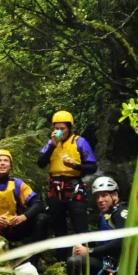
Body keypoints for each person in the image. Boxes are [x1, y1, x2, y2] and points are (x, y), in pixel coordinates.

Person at [0, 149, 49, 266]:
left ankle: (34, 260)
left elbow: (38, 204)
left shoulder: (18, 184)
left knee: (42, 218)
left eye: (6, 161)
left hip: (15, 227)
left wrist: (23, 217)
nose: (2, 163)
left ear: (10, 165)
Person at [36, 110, 97, 256]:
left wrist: (76, 166)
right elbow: (40, 163)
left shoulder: (79, 141)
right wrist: (52, 145)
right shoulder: (50, 144)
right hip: (55, 187)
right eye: (56, 128)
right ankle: (62, 261)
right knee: (59, 227)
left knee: (80, 226)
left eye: (62, 128)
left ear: (69, 127)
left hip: (74, 185)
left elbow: (92, 167)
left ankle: (85, 260)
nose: (59, 131)